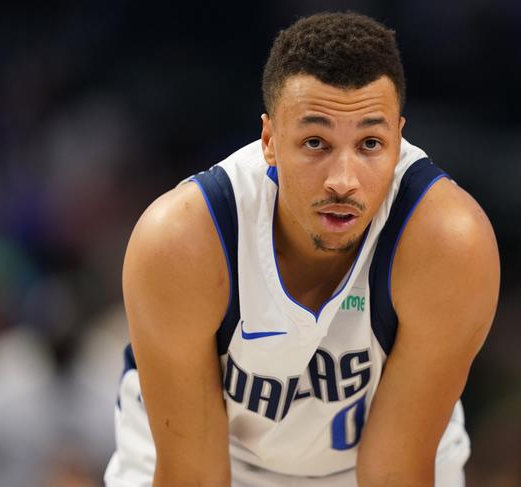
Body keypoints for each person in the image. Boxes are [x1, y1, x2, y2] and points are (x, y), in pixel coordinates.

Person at [104, 11, 500, 487]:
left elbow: (394, 473)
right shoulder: (182, 241)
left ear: (399, 139)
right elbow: (194, 476)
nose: (343, 181)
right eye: (316, 142)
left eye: (371, 143)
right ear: (269, 141)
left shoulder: (448, 242)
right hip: (202, 460)